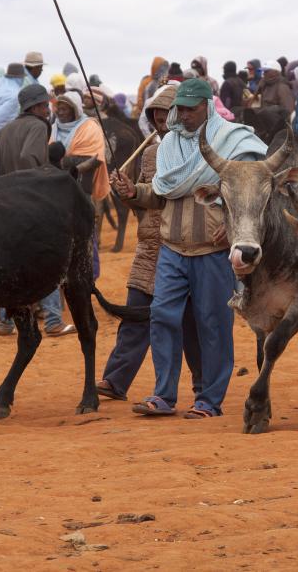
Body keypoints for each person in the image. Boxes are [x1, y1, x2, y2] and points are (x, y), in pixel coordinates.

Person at [111, 78, 266, 418]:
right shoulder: (169, 147)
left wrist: (235, 227)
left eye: (191, 109)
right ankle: (163, 395)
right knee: (163, 316)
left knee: (213, 326)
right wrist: (133, 192)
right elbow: (160, 192)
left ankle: (209, 402)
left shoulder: (232, 143)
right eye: (180, 109)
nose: (184, 115)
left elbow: (253, 194)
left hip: (211, 252)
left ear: (207, 106)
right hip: (172, 249)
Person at [96, 84, 202, 400]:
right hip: (148, 248)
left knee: (189, 325)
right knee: (134, 316)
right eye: (155, 117)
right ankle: (115, 381)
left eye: (164, 115)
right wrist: (128, 192)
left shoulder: (196, 150)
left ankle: (203, 385)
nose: (160, 122)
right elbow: (145, 200)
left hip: (181, 249)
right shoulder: (151, 153)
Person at [0, 84, 76, 338]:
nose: (48, 109)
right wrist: (36, 183)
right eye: (46, 105)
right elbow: (30, 157)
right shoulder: (39, 126)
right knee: (47, 259)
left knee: (8, 264)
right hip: (32, 205)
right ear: (38, 107)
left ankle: (6, 324)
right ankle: (53, 320)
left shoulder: (6, 129)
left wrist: (2, 187)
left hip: (3, 209)